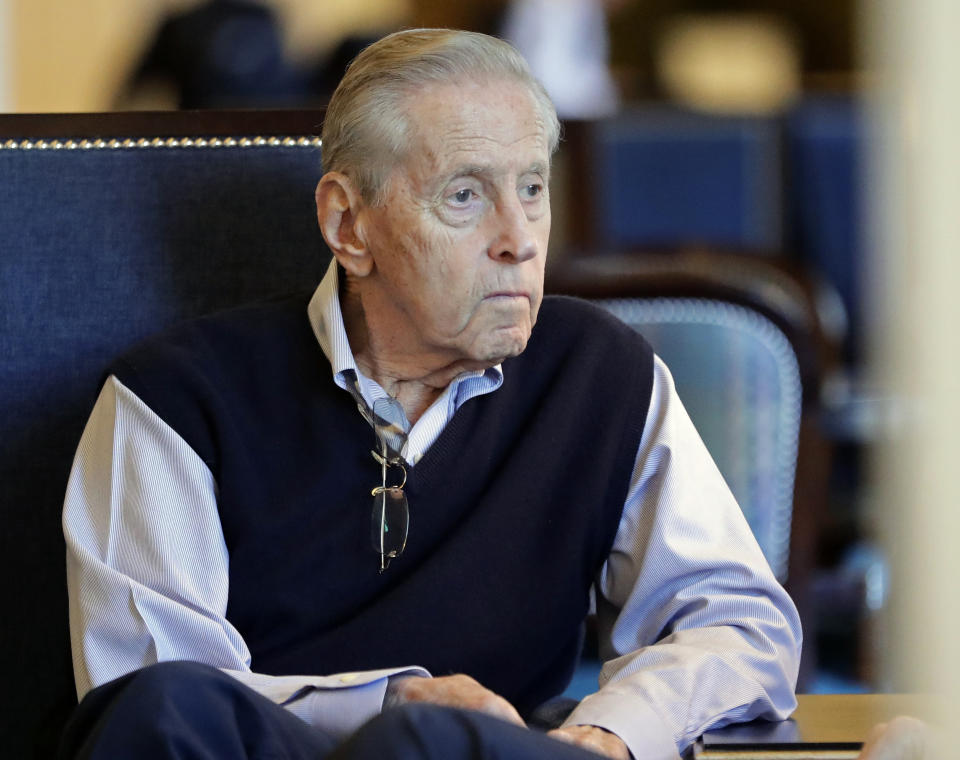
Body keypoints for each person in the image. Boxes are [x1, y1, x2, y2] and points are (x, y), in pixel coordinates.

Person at [61, 28, 801, 760]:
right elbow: (152, 698)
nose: (520, 238)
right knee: (185, 705)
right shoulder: (175, 401)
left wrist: (612, 733)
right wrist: (389, 705)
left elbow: (740, 622)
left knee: (433, 743)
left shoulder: (601, 376)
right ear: (349, 226)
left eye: (533, 189)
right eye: (465, 195)